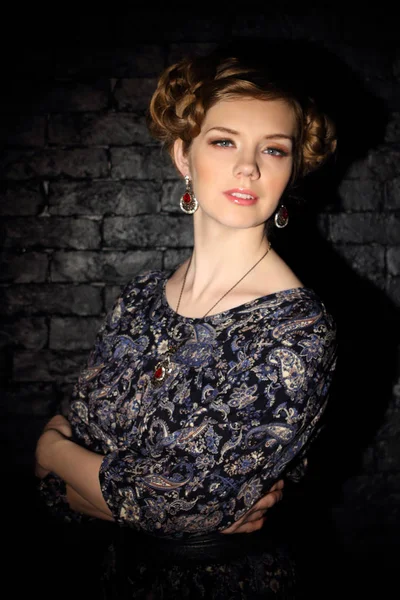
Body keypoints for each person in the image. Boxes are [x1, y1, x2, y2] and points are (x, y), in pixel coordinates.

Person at [35, 44, 338, 599]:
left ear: (292, 169)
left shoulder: (296, 328)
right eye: (224, 141)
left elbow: (175, 503)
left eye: (273, 150)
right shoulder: (142, 299)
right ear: (183, 156)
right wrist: (111, 491)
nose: (248, 166)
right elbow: (63, 487)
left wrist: (53, 452)